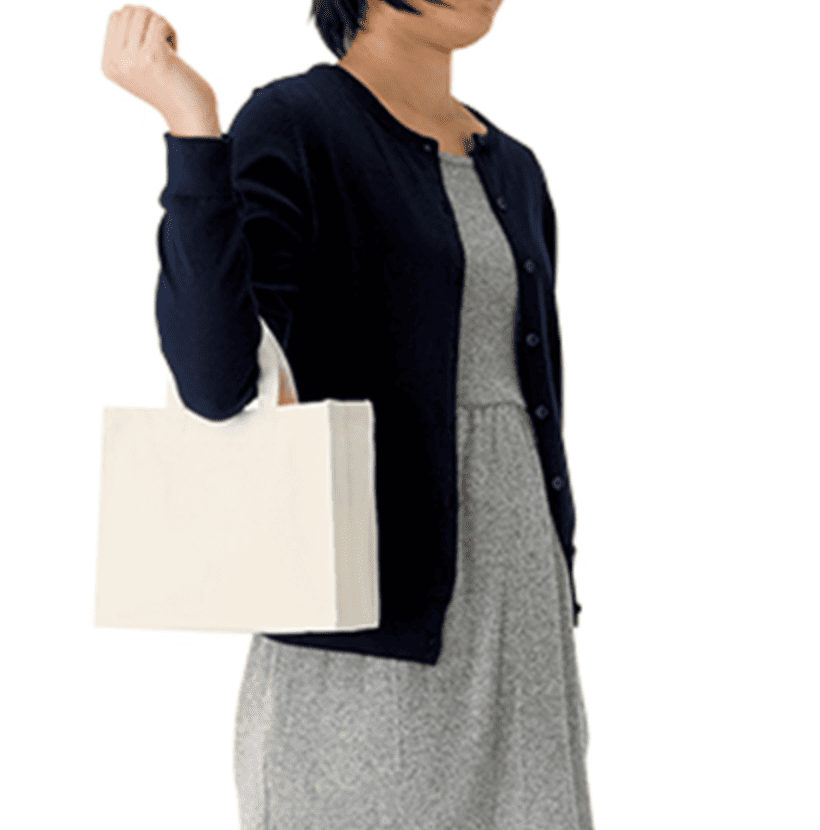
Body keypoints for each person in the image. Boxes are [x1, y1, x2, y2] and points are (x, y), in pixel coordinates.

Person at [101, 2, 593, 828]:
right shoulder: (297, 123)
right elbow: (216, 382)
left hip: (523, 633)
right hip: (368, 638)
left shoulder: (515, 168)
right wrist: (192, 128)